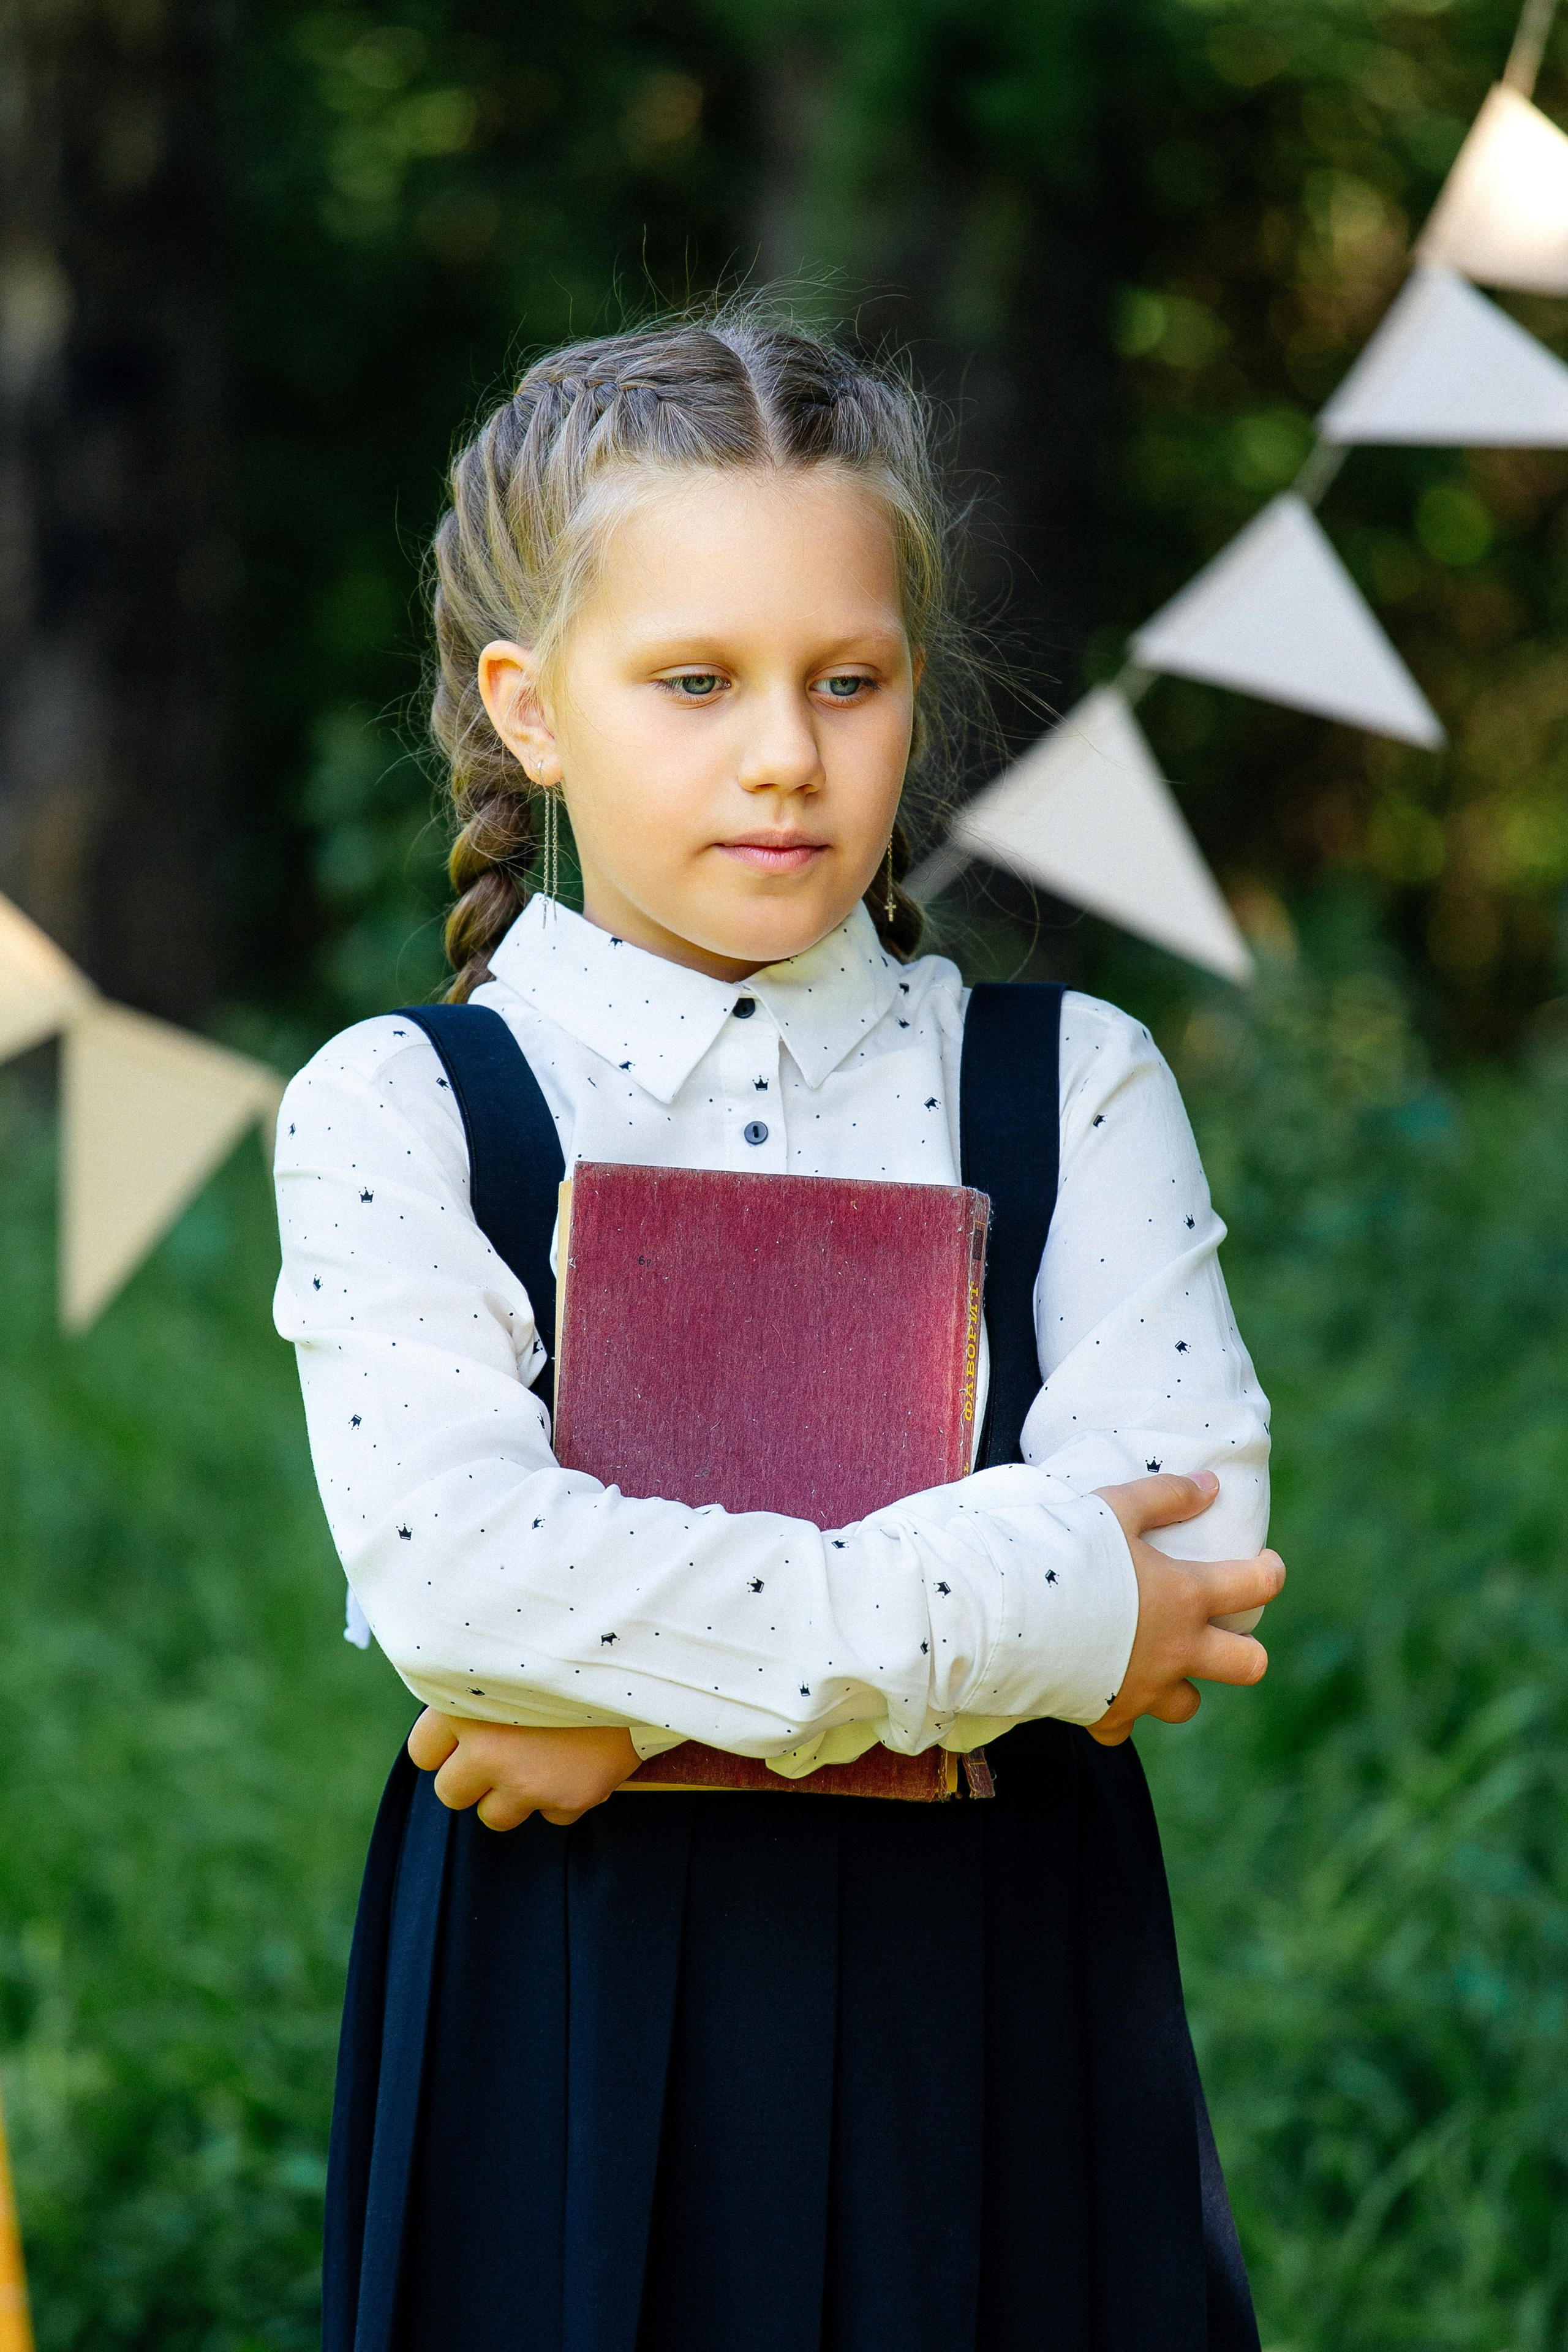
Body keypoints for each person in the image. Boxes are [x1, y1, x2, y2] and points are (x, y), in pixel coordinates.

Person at [274, 304, 1283, 2352]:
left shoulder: (1072, 1083)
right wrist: (1032, 1604)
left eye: (849, 679)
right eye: (695, 682)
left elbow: (1190, 1556)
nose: (784, 757)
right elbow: (464, 1581)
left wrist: (623, 1716)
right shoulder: (405, 1108)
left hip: (997, 2004)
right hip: (567, 2005)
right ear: (530, 710)